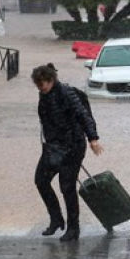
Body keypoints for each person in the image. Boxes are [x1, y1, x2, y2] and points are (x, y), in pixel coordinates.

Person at [32, 63, 103, 241]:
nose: (40, 88)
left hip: (73, 147)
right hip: (53, 147)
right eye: (37, 85)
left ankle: (73, 228)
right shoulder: (44, 95)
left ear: (51, 80)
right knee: (41, 180)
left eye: (42, 84)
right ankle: (56, 219)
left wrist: (93, 139)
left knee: (67, 187)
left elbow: (83, 115)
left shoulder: (66, 93)